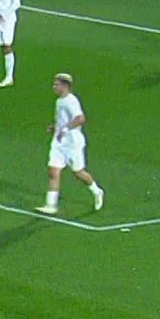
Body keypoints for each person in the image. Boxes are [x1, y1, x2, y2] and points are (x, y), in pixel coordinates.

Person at [38, 73, 104, 214]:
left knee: (78, 173)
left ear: (64, 86)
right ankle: (51, 205)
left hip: (72, 144)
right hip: (59, 143)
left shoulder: (71, 101)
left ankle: (97, 191)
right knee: (53, 171)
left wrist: (65, 129)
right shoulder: (59, 101)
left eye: (56, 84)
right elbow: (64, 120)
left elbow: (80, 119)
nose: (54, 87)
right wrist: (55, 127)